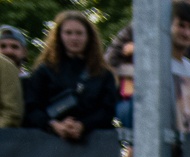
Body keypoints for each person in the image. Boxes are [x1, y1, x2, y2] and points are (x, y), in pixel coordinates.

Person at [26, 9, 120, 138]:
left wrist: (83, 125)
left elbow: (108, 110)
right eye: (68, 33)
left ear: (88, 36)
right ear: (59, 36)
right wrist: (53, 125)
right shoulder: (44, 71)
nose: (74, 38)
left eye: (79, 33)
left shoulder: (103, 74)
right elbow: (31, 107)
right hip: (49, 141)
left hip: (94, 141)